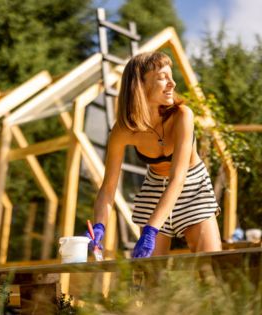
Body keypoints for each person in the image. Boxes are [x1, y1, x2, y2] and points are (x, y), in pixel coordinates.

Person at [87, 52, 222, 258]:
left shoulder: (182, 116)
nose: (172, 83)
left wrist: (150, 230)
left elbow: (178, 178)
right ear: (139, 86)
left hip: (192, 188)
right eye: (162, 77)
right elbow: (108, 188)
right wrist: (99, 226)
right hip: (154, 189)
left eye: (171, 76)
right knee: (150, 279)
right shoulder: (122, 130)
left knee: (210, 268)